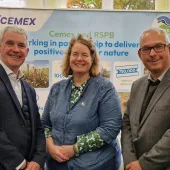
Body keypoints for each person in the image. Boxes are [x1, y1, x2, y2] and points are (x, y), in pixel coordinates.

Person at [41, 34, 122, 170]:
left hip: (96, 165)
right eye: (75, 54)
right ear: (69, 58)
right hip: (56, 163)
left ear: (92, 59)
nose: (79, 59)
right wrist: (50, 147)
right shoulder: (57, 89)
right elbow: (45, 124)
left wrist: (75, 148)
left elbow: (110, 128)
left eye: (84, 55)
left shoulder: (105, 88)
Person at [121, 28, 170, 170]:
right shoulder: (137, 85)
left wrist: (143, 165)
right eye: (146, 49)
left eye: (159, 47)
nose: (152, 53)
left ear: (169, 49)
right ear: (139, 54)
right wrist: (131, 161)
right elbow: (127, 125)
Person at [0, 26, 46, 170]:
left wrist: (38, 159)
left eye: (21, 45)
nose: (16, 49)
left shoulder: (29, 89)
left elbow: (38, 128)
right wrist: (19, 163)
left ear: (27, 52)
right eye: (10, 43)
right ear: (0, 47)